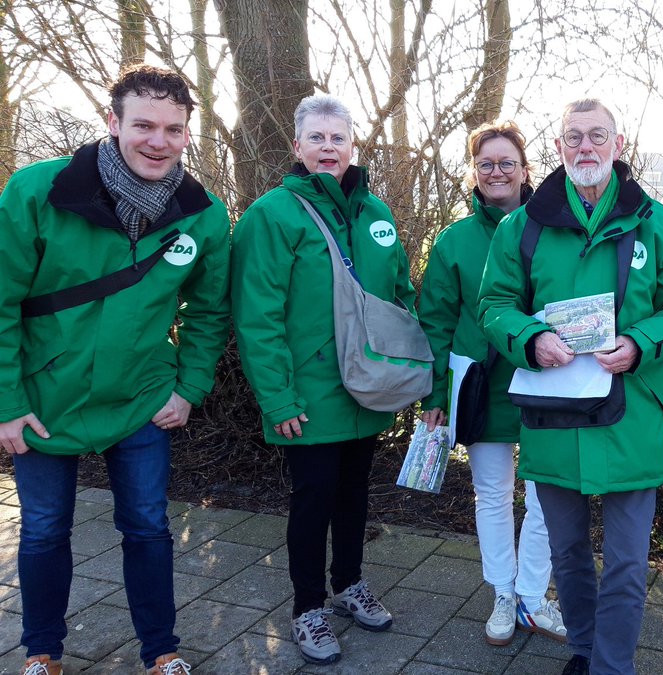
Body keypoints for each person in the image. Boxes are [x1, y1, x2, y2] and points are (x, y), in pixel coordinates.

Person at [0, 64, 230, 675]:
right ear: (113, 123)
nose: (158, 141)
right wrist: (6, 403)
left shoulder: (204, 215)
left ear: (187, 133)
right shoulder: (36, 191)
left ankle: (162, 652)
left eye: (173, 129)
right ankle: (42, 654)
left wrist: (189, 388)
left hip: (141, 398)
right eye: (144, 125)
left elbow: (209, 313)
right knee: (44, 530)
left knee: (149, 527)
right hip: (45, 400)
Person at [478, 98, 663, 675]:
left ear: (618, 144)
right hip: (551, 415)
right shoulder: (520, 227)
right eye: (574, 137)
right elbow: (495, 305)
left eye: (598, 135)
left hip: (631, 414)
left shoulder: (661, 225)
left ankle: (612, 666)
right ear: (559, 147)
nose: (586, 147)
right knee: (568, 553)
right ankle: (583, 651)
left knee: (628, 563)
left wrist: (640, 343)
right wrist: (530, 338)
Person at [231, 94, 414, 665]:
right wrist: (278, 397)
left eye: (338, 138)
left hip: (369, 387)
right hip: (307, 393)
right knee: (312, 500)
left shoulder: (376, 213)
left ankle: (349, 583)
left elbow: (401, 293)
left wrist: (406, 368)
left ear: (353, 146)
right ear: (298, 146)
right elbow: (257, 316)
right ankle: (308, 607)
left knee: (355, 493)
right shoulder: (272, 215)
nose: (328, 148)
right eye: (317, 138)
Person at [418, 120, 565, 646]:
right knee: (492, 494)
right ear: (473, 172)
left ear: (526, 170)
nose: (497, 171)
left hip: (547, 378)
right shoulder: (454, 241)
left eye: (507, 162)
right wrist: (435, 394)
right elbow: (434, 322)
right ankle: (503, 592)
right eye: (486, 163)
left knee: (547, 496)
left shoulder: (556, 230)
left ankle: (533, 595)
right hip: (480, 384)